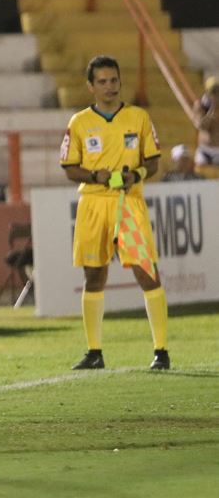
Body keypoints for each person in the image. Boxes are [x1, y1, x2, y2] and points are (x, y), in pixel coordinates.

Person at [60, 55, 169, 371]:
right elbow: (69, 168)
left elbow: (153, 162)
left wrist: (138, 175)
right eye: (103, 81)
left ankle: (161, 350)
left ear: (120, 81)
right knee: (93, 274)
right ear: (91, 86)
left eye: (114, 80)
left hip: (128, 204)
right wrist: (96, 176)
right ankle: (94, 351)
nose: (110, 86)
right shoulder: (79, 122)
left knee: (146, 272)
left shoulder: (138, 118)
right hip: (93, 205)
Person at [193, 76, 219, 171]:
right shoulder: (200, 106)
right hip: (205, 150)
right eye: (213, 92)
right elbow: (201, 126)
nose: (216, 95)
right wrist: (212, 111)